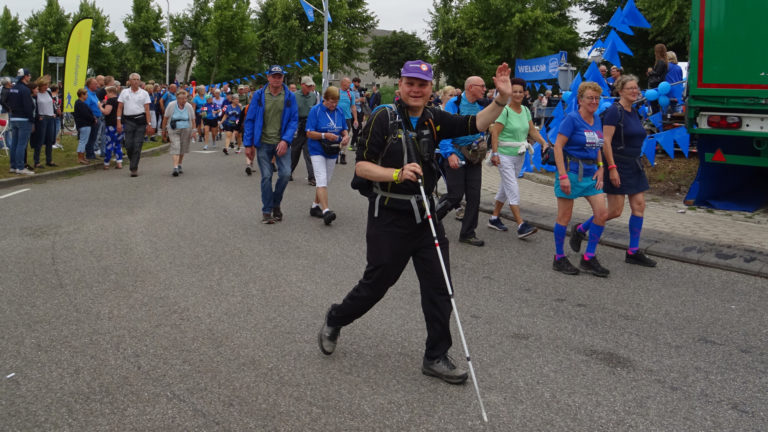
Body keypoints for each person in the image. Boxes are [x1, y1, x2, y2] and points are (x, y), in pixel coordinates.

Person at [317, 60, 512, 385]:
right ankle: (335, 318)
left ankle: (435, 355)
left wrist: (501, 100)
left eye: (422, 84)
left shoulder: (434, 118)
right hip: (389, 217)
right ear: (400, 84)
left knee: (439, 288)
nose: (416, 89)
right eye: (410, 83)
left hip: (425, 217)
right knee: (376, 286)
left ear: (430, 88)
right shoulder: (383, 117)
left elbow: (475, 122)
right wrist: (397, 173)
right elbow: (362, 167)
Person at [574, 75, 657, 268]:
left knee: (639, 207)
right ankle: (581, 228)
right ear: (620, 91)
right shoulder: (614, 111)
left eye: (636, 88)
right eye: (630, 88)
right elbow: (606, 142)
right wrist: (611, 168)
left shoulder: (635, 112)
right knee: (614, 211)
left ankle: (633, 251)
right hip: (618, 164)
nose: (635, 91)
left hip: (634, 165)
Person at [552, 81, 609, 277]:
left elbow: (598, 145)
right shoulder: (572, 119)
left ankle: (588, 258)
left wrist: (601, 168)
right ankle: (559, 258)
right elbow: (558, 146)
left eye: (597, 98)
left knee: (602, 214)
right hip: (572, 173)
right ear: (580, 100)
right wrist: (563, 176)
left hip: (591, 175)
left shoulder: (597, 119)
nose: (594, 101)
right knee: (564, 217)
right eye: (590, 98)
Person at [488, 77, 548, 238]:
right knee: (512, 187)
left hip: (519, 155)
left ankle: (494, 218)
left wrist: (544, 143)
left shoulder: (526, 110)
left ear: (524, 93)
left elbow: (532, 131)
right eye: (514, 91)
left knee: (505, 187)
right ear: (510, 93)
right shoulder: (505, 110)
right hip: (504, 155)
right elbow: (495, 132)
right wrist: (494, 154)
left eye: (520, 92)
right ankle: (521, 224)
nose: (517, 94)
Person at [437, 75, 490, 246]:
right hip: (455, 155)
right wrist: (449, 153)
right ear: (470, 87)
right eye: (481, 86)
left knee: (474, 196)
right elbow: (443, 130)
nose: (484, 89)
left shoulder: (482, 105)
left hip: (474, 157)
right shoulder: (454, 104)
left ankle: (467, 233)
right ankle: (429, 221)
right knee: (455, 195)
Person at [242, 65, 299, 224]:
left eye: (279, 76)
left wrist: (285, 140)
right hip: (263, 143)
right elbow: (250, 120)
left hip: (282, 143)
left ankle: (276, 203)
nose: (276, 79)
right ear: (268, 77)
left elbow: (294, 120)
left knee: (286, 174)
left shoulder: (289, 96)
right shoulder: (259, 96)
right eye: (273, 76)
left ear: (283, 78)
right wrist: (248, 144)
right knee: (266, 176)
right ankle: (267, 210)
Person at [305, 86, 350, 225]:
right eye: (331, 101)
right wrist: (324, 135)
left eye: (336, 101)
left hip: (333, 149)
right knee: (321, 178)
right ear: (325, 98)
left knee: (325, 180)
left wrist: (346, 136)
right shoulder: (315, 111)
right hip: (317, 148)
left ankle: (314, 206)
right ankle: (326, 211)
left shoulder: (339, 111)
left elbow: (344, 129)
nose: (334, 105)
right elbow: (309, 132)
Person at [116, 73, 154, 177]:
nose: (136, 81)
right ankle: (133, 160)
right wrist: (118, 122)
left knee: (138, 144)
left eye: (138, 79)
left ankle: (134, 167)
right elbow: (119, 107)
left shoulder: (144, 93)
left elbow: (147, 109)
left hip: (140, 121)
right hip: (128, 120)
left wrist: (149, 124)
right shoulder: (124, 92)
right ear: (130, 81)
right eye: (134, 79)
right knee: (128, 144)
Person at [7, 69, 36, 175]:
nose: (30, 78)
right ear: (26, 77)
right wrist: (32, 120)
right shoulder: (25, 90)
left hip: (14, 118)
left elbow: (7, 101)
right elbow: (28, 106)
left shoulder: (12, 88)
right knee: (21, 144)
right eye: (29, 76)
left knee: (14, 143)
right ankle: (20, 167)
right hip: (24, 119)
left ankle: (13, 166)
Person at [162, 89, 196, 176]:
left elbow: (192, 119)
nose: (184, 100)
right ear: (177, 98)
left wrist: (194, 131)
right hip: (173, 129)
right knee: (175, 146)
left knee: (182, 147)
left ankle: (180, 164)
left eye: (185, 98)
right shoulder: (171, 105)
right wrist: (163, 130)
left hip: (186, 128)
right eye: (181, 98)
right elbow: (165, 118)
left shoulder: (189, 106)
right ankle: (175, 167)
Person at [291, 76, 318, 185]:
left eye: (311, 85)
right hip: (297, 124)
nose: (311, 87)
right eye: (308, 86)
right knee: (295, 151)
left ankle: (312, 177)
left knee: (309, 152)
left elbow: (316, 110)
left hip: (309, 125)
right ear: (302, 85)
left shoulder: (313, 96)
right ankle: (289, 172)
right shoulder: (294, 96)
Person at [32, 78, 58, 169]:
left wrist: (54, 112)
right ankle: (37, 161)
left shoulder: (48, 92)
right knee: (40, 140)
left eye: (47, 85)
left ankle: (49, 159)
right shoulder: (36, 94)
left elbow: (51, 103)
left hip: (50, 117)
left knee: (50, 140)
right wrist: (38, 116)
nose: (46, 87)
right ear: (40, 86)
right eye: (44, 85)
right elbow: (35, 106)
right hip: (42, 118)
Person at [100, 86, 123, 169]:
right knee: (118, 144)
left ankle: (106, 163)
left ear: (110, 92)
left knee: (109, 144)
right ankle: (119, 162)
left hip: (111, 125)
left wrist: (100, 107)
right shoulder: (120, 100)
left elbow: (106, 112)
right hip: (120, 124)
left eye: (107, 93)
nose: (106, 95)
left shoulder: (110, 101)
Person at [337, 77, 357, 165]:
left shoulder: (351, 94)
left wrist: (355, 119)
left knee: (346, 137)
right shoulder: (336, 92)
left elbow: (353, 107)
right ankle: (335, 155)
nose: (350, 84)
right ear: (343, 83)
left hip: (347, 118)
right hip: (336, 118)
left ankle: (343, 155)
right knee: (336, 137)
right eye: (349, 83)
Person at [73, 88, 96, 165]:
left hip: (84, 124)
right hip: (84, 124)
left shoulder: (80, 103)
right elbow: (86, 114)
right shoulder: (80, 103)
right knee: (83, 141)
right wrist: (93, 119)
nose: (87, 96)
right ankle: (80, 157)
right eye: (86, 94)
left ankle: (82, 157)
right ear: (82, 95)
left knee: (84, 141)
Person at [84, 77, 103, 160]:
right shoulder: (87, 94)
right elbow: (86, 107)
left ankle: (91, 154)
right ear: (89, 85)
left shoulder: (93, 93)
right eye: (95, 84)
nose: (97, 85)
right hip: (92, 118)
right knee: (91, 137)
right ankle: (89, 154)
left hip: (97, 117)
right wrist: (93, 117)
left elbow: (97, 103)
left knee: (94, 137)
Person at [647, 43, 669, 113]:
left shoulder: (660, 62)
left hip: (656, 86)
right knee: (657, 105)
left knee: (654, 105)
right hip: (660, 85)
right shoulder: (664, 62)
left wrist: (650, 72)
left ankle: (656, 120)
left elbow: (657, 73)